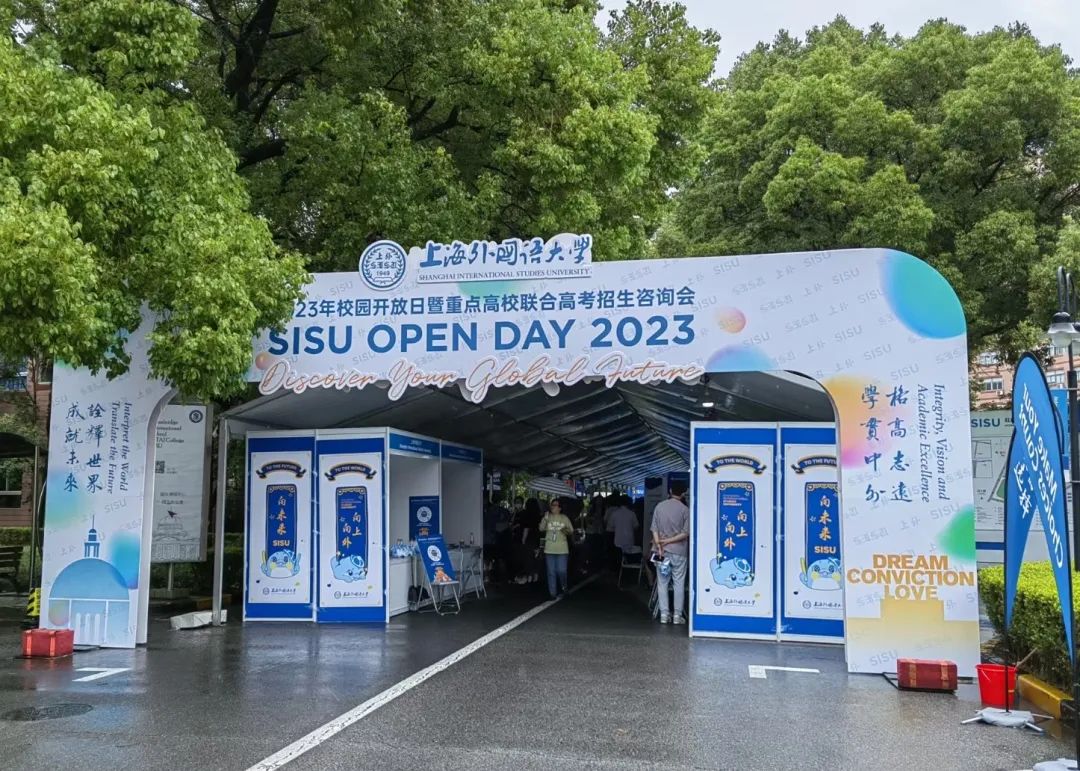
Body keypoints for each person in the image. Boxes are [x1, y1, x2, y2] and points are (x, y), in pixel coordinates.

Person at [651, 482, 690, 624]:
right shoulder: (685, 510)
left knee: (662, 583)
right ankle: (677, 616)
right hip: (679, 552)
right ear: (684, 493)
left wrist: (660, 544)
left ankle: (664, 614)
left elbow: (654, 529)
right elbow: (685, 533)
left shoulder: (659, 507)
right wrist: (669, 541)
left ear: (670, 490)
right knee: (679, 583)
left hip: (661, 552)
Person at [540, 499, 574, 599]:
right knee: (551, 572)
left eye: (555, 505)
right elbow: (541, 528)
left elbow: (571, 531)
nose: (553, 507)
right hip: (549, 549)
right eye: (552, 505)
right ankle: (552, 593)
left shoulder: (564, 518)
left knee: (561, 571)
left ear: (560, 508)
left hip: (562, 549)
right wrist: (545, 519)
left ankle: (564, 587)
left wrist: (565, 530)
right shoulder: (547, 517)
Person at [514, 498, 543, 584]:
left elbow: (526, 528)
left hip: (529, 539)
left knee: (529, 559)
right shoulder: (540, 515)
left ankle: (529, 578)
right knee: (537, 559)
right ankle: (536, 578)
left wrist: (523, 540)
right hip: (538, 539)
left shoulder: (526, 514)